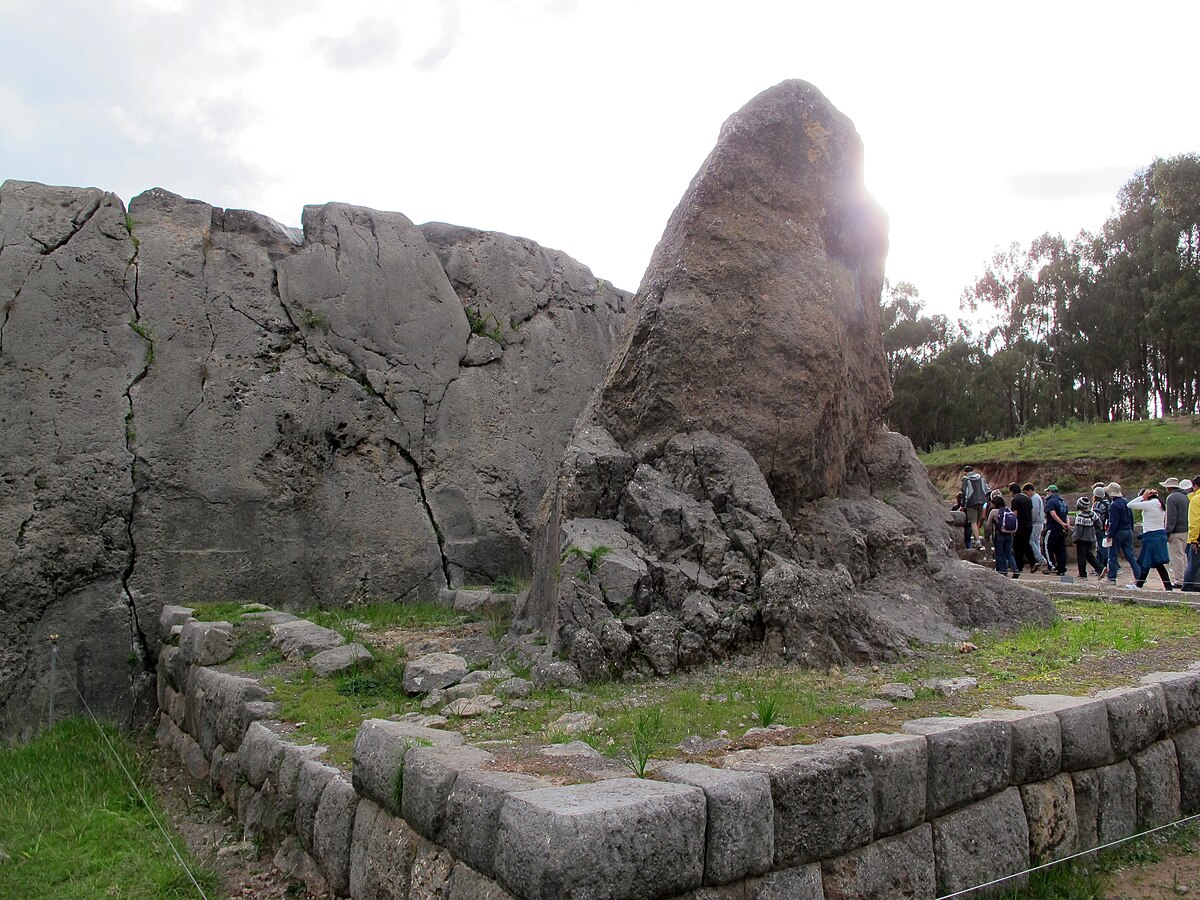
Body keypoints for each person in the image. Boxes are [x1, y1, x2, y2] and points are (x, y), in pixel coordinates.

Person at [1129, 487, 1174, 590]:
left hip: (1151, 537)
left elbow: (1130, 505)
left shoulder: (1150, 504)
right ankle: (1167, 587)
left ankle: (1139, 585)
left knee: (1147, 562)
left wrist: (1142, 496)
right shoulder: (1159, 503)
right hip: (1158, 535)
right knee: (1156, 563)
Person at [1105, 482, 1142, 584]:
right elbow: (1131, 518)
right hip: (1128, 530)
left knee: (1112, 555)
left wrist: (1109, 534)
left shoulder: (1114, 505)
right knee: (1130, 555)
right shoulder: (1126, 502)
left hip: (1118, 532)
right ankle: (1139, 575)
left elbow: (1113, 522)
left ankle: (1111, 578)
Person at [985, 492, 1020, 578]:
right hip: (1009, 534)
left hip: (999, 534)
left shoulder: (994, 512)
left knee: (999, 553)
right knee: (1008, 553)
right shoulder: (1008, 510)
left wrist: (987, 535)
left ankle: (1001, 570)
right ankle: (1015, 570)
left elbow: (989, 525)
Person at [1164, 477, 1190, 587]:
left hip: (1175, 531)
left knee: (1176, 556)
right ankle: (1185, 576)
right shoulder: (1185, 497)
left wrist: (1167, 532)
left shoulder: (1171, 498)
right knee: (1182, 555)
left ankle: (1179, 580)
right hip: (1185, 529)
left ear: (1169, 487)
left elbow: (1171, 517)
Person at [1070, 496, 1104, 578]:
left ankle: (1082, 573)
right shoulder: (1092, 514)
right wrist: (1095, 531)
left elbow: (1078, 530)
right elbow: (1099, 524)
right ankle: (1100, 568)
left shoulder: (1080, 516)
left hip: (1082, 539)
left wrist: (1074, 538)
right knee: (1089, 555)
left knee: (1081, 556)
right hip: (1091, 538)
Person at [1009, 482, 1036, 573]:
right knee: (1025, 544)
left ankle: (1019, 566)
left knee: (1017, 546)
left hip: (1020, 526)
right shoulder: (1028, 498)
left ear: (1012, 491)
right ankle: (1032, 562)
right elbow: (1031, 512)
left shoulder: (1015, 500)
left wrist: (1012, 527)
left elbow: (1014, 515)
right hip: (1029, 524)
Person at [1043, 484, 1070, 576]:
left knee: (1048, 546)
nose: (1047, 493)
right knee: (1061, 548)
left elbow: (1053, 514)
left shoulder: (1051, 501)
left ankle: (1051, 566)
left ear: (1050, 492)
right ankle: (1062, 568)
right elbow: (1067, 516)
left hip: (1053, 527)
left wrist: (1061, 523)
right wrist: (1065, 525)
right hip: (1061, 530)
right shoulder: (1063, 502)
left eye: (1047, 491)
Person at [961, 466, 989, 549]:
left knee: (973, 522)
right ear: (973, 471)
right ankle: (978, 538)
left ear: (965, 472)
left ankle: (977, 541)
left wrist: (963, 504)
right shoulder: (981, 477)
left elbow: (964, 492)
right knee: (977, 521)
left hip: (971, 502)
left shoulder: (966, 479)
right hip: (982, 501)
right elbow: (987, 489)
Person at [1024, 483, 1049, 573]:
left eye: (1026, 493)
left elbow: (1034, 512)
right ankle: (1038, 559)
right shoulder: (1037, 497)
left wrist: (1030, 521)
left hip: (1036, 523)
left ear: (1030, 490)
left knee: (1030, 541)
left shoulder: (1034, 498)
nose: (1026, 495)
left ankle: (1040, 559)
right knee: (1036, 541)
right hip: (1039, 522)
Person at [1182, 478, 1200, 592]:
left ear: (1195, 486)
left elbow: (1195, 521)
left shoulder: (1196, 499)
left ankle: (1187, 591)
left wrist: (1194, 540)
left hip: (1198, 539)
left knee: (1192, 566)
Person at [1091, 484, 1111, 572]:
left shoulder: (1097, 504)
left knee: (1102, 548)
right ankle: (1099, 567)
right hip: (1107, 526)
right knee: (1099, 548)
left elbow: (1096, 517)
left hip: (1100, 528)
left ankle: (1114, 566)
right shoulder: (1107, 502)